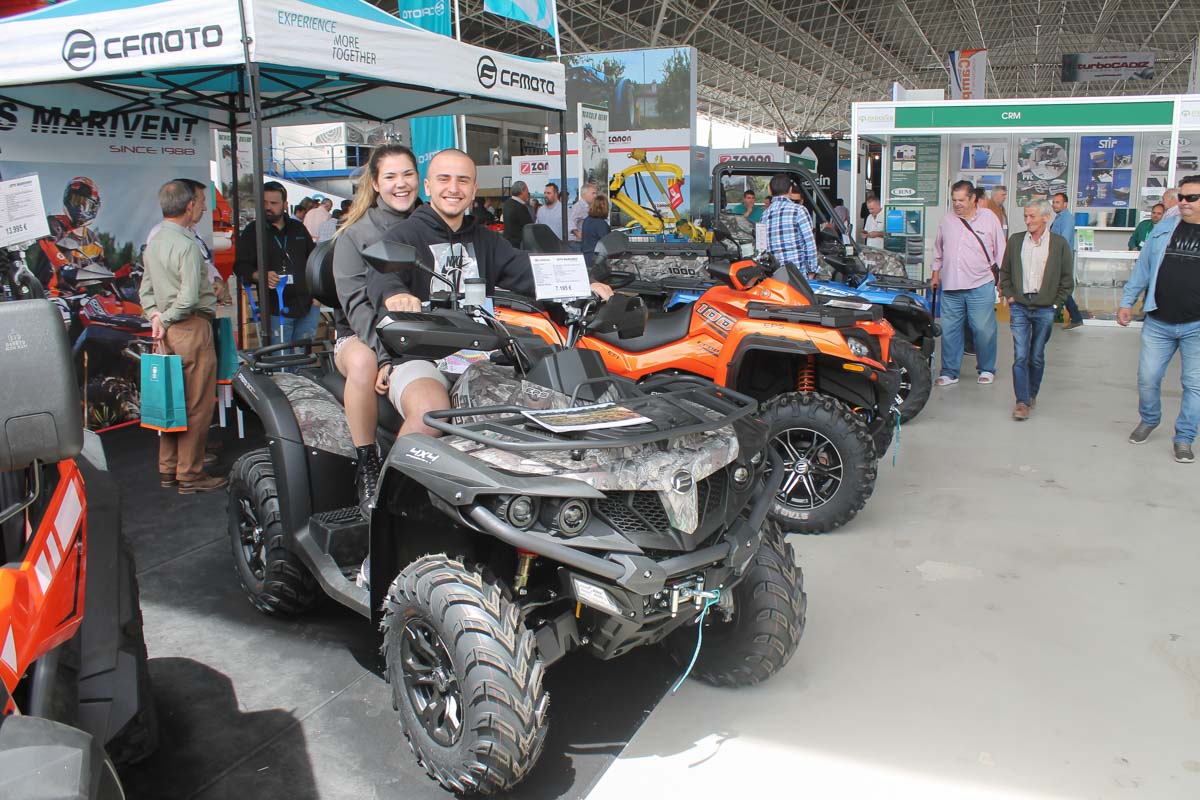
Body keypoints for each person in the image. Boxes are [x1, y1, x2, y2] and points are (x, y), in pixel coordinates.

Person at [370, 150, 613, 436]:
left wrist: (585, 283)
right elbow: (382, 277)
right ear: (428, 186)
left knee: (543, 404)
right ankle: (396, 480)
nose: (453, 188)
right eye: (444, 179)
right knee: (430, 413)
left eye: (463, 181)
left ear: (473, 189)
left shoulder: (486, 240)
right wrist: (396, 294)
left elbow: (526, 269)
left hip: (479, 355)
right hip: (420, 358)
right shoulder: (403, 236)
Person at [331, 144, 423, 506]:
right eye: (391, 176)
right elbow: (357, 304)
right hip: (360, 334)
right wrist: (385, 356)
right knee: (363, 363)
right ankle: (368, 461)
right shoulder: (355, 235)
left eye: (408, 175)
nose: (401, 184)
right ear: (376, 183)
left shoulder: (430, 224)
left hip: (420, 334)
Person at [139, 180, 225, 493]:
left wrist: (157, 318)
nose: (204, 207)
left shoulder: (156, 240)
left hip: (166, 332)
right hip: (191, 328)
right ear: (188, 206)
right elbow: (188, 299)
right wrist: (170, 317)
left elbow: (145, 291)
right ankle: (190, 474)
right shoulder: (186, 244)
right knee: (197, 405)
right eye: (201, 202)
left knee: (171, 402)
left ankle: (169, 469)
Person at [1118, 175, 1200, 464]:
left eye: (1192, 198)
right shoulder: (1164, 228)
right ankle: (1150, 418)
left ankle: (1185, 437)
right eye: (1182, 197)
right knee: (1148, 378)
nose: (1184, 203)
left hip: (1196, 326)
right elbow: (1143, 267)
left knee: (1194, 384)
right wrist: (1127, 301)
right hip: (1158, 321)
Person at [999, 200, 1074, 421]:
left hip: (1045, 309)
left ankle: (1032, 393)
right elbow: (1005, 272)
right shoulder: (1015, 241)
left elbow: (1067, 279)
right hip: (1020, 306)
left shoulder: (1059, 245)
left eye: (1032, 216)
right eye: (1026, 216)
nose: (1028, 221)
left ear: (1045, 217)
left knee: (1037, 356)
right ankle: (1022, 401)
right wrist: (1011, 296)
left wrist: (1055, 304)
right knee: (1020, 355)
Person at [931, 180, 1006, 386]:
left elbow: (1001, 250)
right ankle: (949, 372)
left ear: (973, 198)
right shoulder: (947, 221)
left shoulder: (989, 218)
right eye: (954, 200)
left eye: (961, 200)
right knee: (950, 329)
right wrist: (935, 274)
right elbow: (939, 250)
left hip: (980, 284)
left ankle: (986, 368)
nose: (957, 204)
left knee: (983, 329)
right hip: (952, 285)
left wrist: (1004, 281)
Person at [233, 182, 318, 348]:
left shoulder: (298, 228)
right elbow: (240, 266)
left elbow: (314, 261)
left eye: (273, 203)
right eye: (264, 203)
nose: (268, 207)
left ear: (285, 205)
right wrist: (259, 275)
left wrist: (317, 298)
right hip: (275, 309)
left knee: (303, 361)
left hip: (307, 306)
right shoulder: (253, 231)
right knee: (281, 362)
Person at [146, 178, 231, 305]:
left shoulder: (192, 232)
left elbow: (205, 263)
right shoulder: (161, 235)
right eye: (202, 202)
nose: (205, 208)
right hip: (181, 315)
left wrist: (217, 280)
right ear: (190, 204)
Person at [761, 173, 817, 276]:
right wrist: (812, 270)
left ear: (771, 191)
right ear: (790, 190)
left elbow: (762, 248)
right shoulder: (799, 210)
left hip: (775, 276)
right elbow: (809, 243)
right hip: (797, 276)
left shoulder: (764, 215)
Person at [1050, 192, 1084, 329]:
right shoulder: (1059, 218)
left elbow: (1062, 240)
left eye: (1057, 202)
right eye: (1053, 202)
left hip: (1061, 258)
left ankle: (1075, 317)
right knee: (1058, 288)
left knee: (1061, 288)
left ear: (1065, 204)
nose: (1054, 205)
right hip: (1057, 257)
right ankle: (1069, 316)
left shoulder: (1067, 219)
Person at [581, 194, 611, 272]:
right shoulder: (602, 224)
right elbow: (607, 245)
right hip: (596, 262)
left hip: (585, 258)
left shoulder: (587, 220)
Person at [502, 180, 534, 247]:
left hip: (507, 243)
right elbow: (529, 226)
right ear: (522, 191)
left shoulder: (507, 203)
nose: (528, 193)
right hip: (518, 245)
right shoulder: (520, 207)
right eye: (527, 190)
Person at [569, 181, 599, 246]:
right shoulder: (578, 207)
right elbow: (570, 222)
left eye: (596, 193)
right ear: (584, 194)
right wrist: (578, 234)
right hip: (577, 243)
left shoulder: (589, 206)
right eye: (593, 193)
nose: (595, 196)